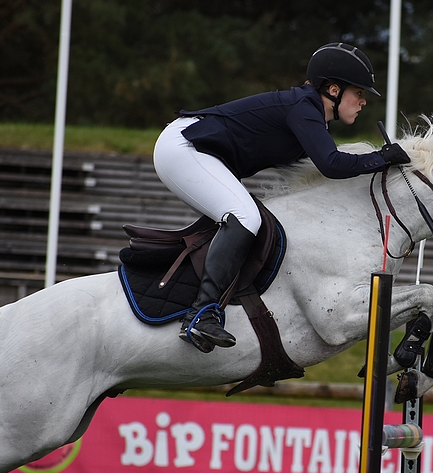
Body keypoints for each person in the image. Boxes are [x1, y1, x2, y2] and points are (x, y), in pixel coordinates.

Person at [153, 42, 410, 353]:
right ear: (332, 89)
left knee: (244, 215)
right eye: (359, 92)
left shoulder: (307, 113)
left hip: (191, 150)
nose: (363, 101)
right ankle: (201, 313)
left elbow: (324, 166)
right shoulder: (304, 108)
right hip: (183, 148)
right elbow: (332, 165)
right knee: (245, 216)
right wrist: (381, 158)